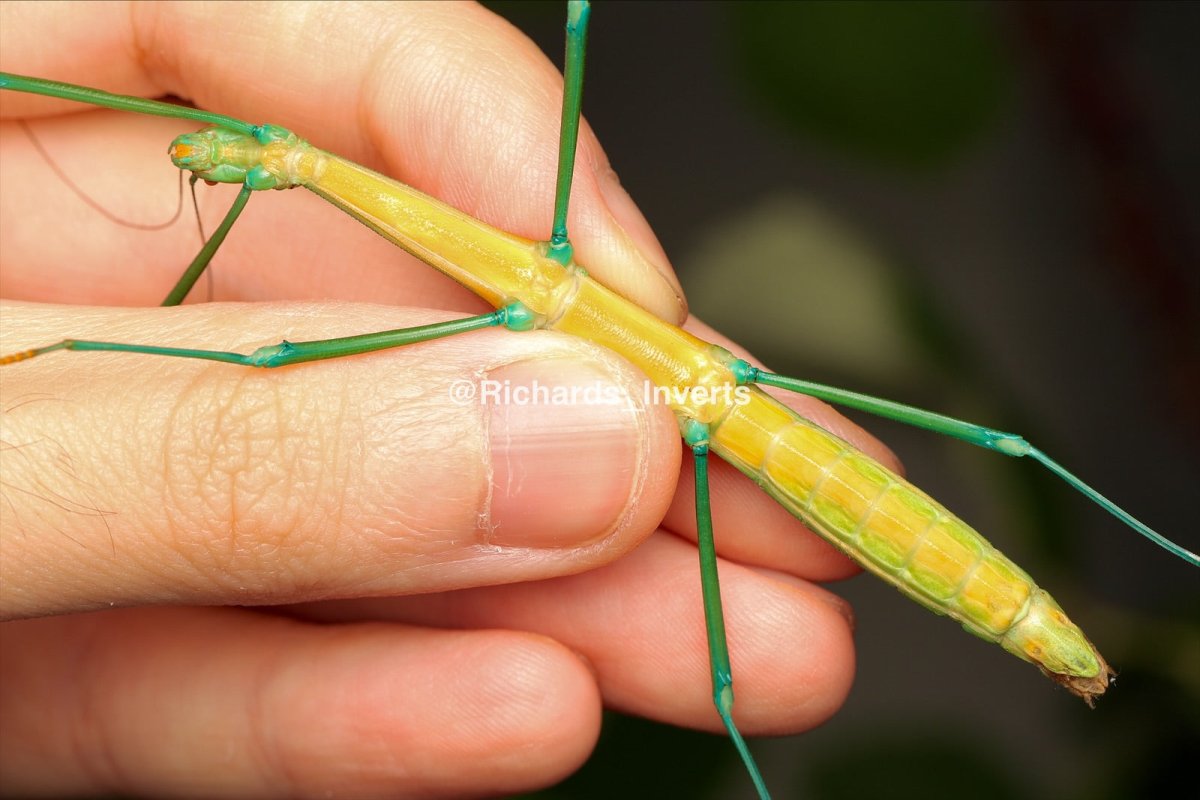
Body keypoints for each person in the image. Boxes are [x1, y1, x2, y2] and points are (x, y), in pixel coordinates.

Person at [0, 3, 891, 796]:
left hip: (720, 411)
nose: (253, 163)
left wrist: (76, 347)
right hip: (719, 401)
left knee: (273, 359)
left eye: (268, 159)